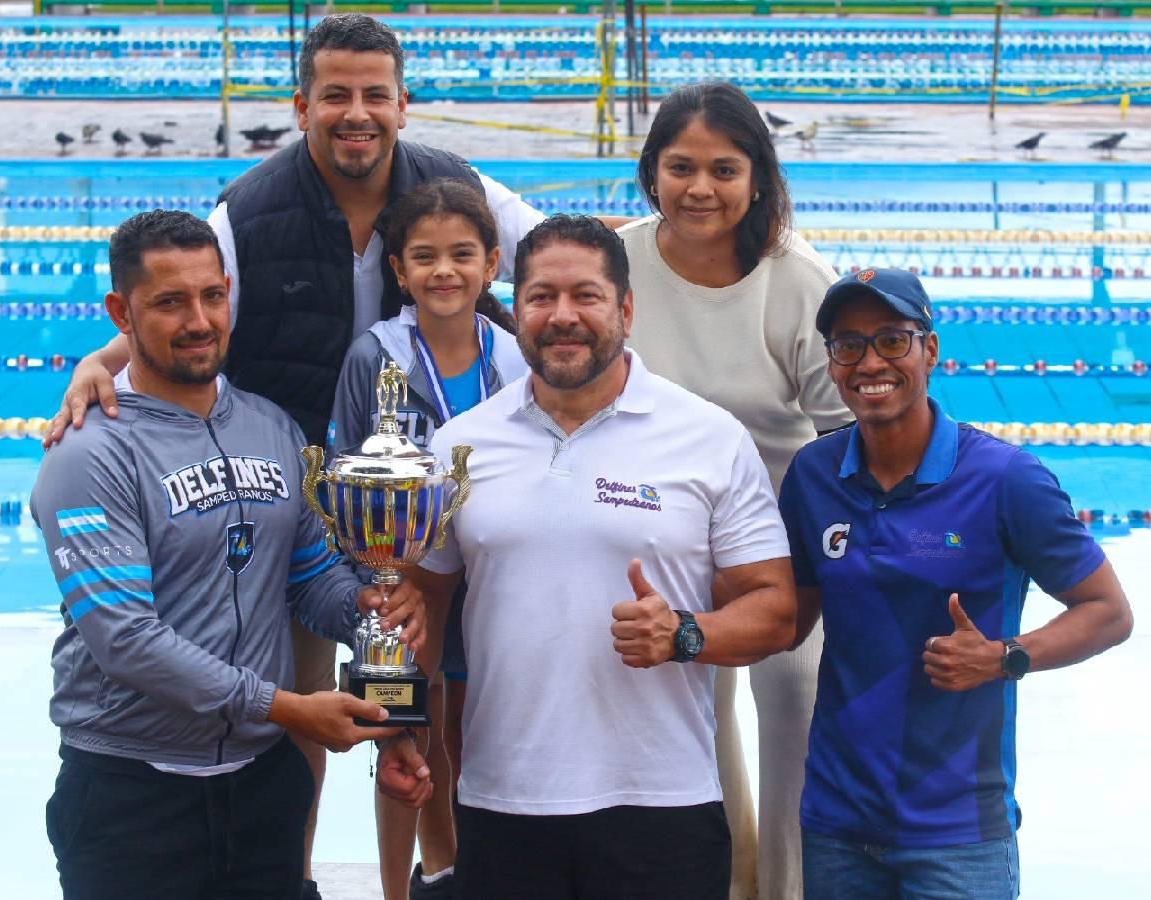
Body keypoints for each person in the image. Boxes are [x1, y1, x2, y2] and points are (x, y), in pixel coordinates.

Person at [41, 16, 547, 897]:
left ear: (403, 102)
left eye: (375, 95)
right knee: (299, 718)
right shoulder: (247, 210)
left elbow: (561, 256)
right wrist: (100, 361)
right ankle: (294, 873)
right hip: (305, 497)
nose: (357, 113)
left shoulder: (454, 185)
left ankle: (440, 875)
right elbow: (178, 291)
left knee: (439, 710)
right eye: (336, 95)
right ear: (302, 103)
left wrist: (375, 612)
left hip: (362, 505)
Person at [30, 210, 433, 899]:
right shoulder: (91, 454)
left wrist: (370, 608)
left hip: (261, 786)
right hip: (131, 796)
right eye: (169, 302)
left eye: (212, 296)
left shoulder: (268, 428)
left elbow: (308, 576)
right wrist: (286, 708)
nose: (199, 320)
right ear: (120, 313)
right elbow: (126, 639)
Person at [398, 215, 798, 899]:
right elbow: (422, 602)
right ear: (514, 309)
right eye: (541, 298)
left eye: (586, 296)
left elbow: (776, 609)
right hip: (502, 800)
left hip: (662, 801)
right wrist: (401, 723)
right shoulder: (461, 448)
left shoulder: (707, 437)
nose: (562, 317)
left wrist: (686, 633)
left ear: (626, 309)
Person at [777, 267, 1134, 899]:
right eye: (848, 345)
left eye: (892, 339)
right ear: (831, 363)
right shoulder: (813, 475)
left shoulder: (1005, 479)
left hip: (958, 829)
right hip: (836, 819)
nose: (869, 362)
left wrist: (1007, 656)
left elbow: (1108, 610)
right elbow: (788, 615)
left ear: (930, 349)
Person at [618, 81, 853, 900]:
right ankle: (721, 880)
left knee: (792, 695)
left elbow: (842, 437)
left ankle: (786, 888)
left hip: (781, 534)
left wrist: (825, 569)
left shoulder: (797, 279)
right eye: (680, 166)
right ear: (652, 173)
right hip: (659, 534)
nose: (700, 189)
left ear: (757, 177)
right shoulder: (621, 263)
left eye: (724, 168)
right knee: (691, 707)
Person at [327, 178, 527, 900]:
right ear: (399, 270)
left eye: (462, 254)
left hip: (487, 581)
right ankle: (394, 890)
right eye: (426, 256)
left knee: (466, 738)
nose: (444, 271)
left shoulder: (514, 361)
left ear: (492, 261)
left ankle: (458, 873)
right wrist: (372, 578)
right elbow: (348, 470)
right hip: (400, 584)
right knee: (401, 737)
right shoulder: (372, 357)